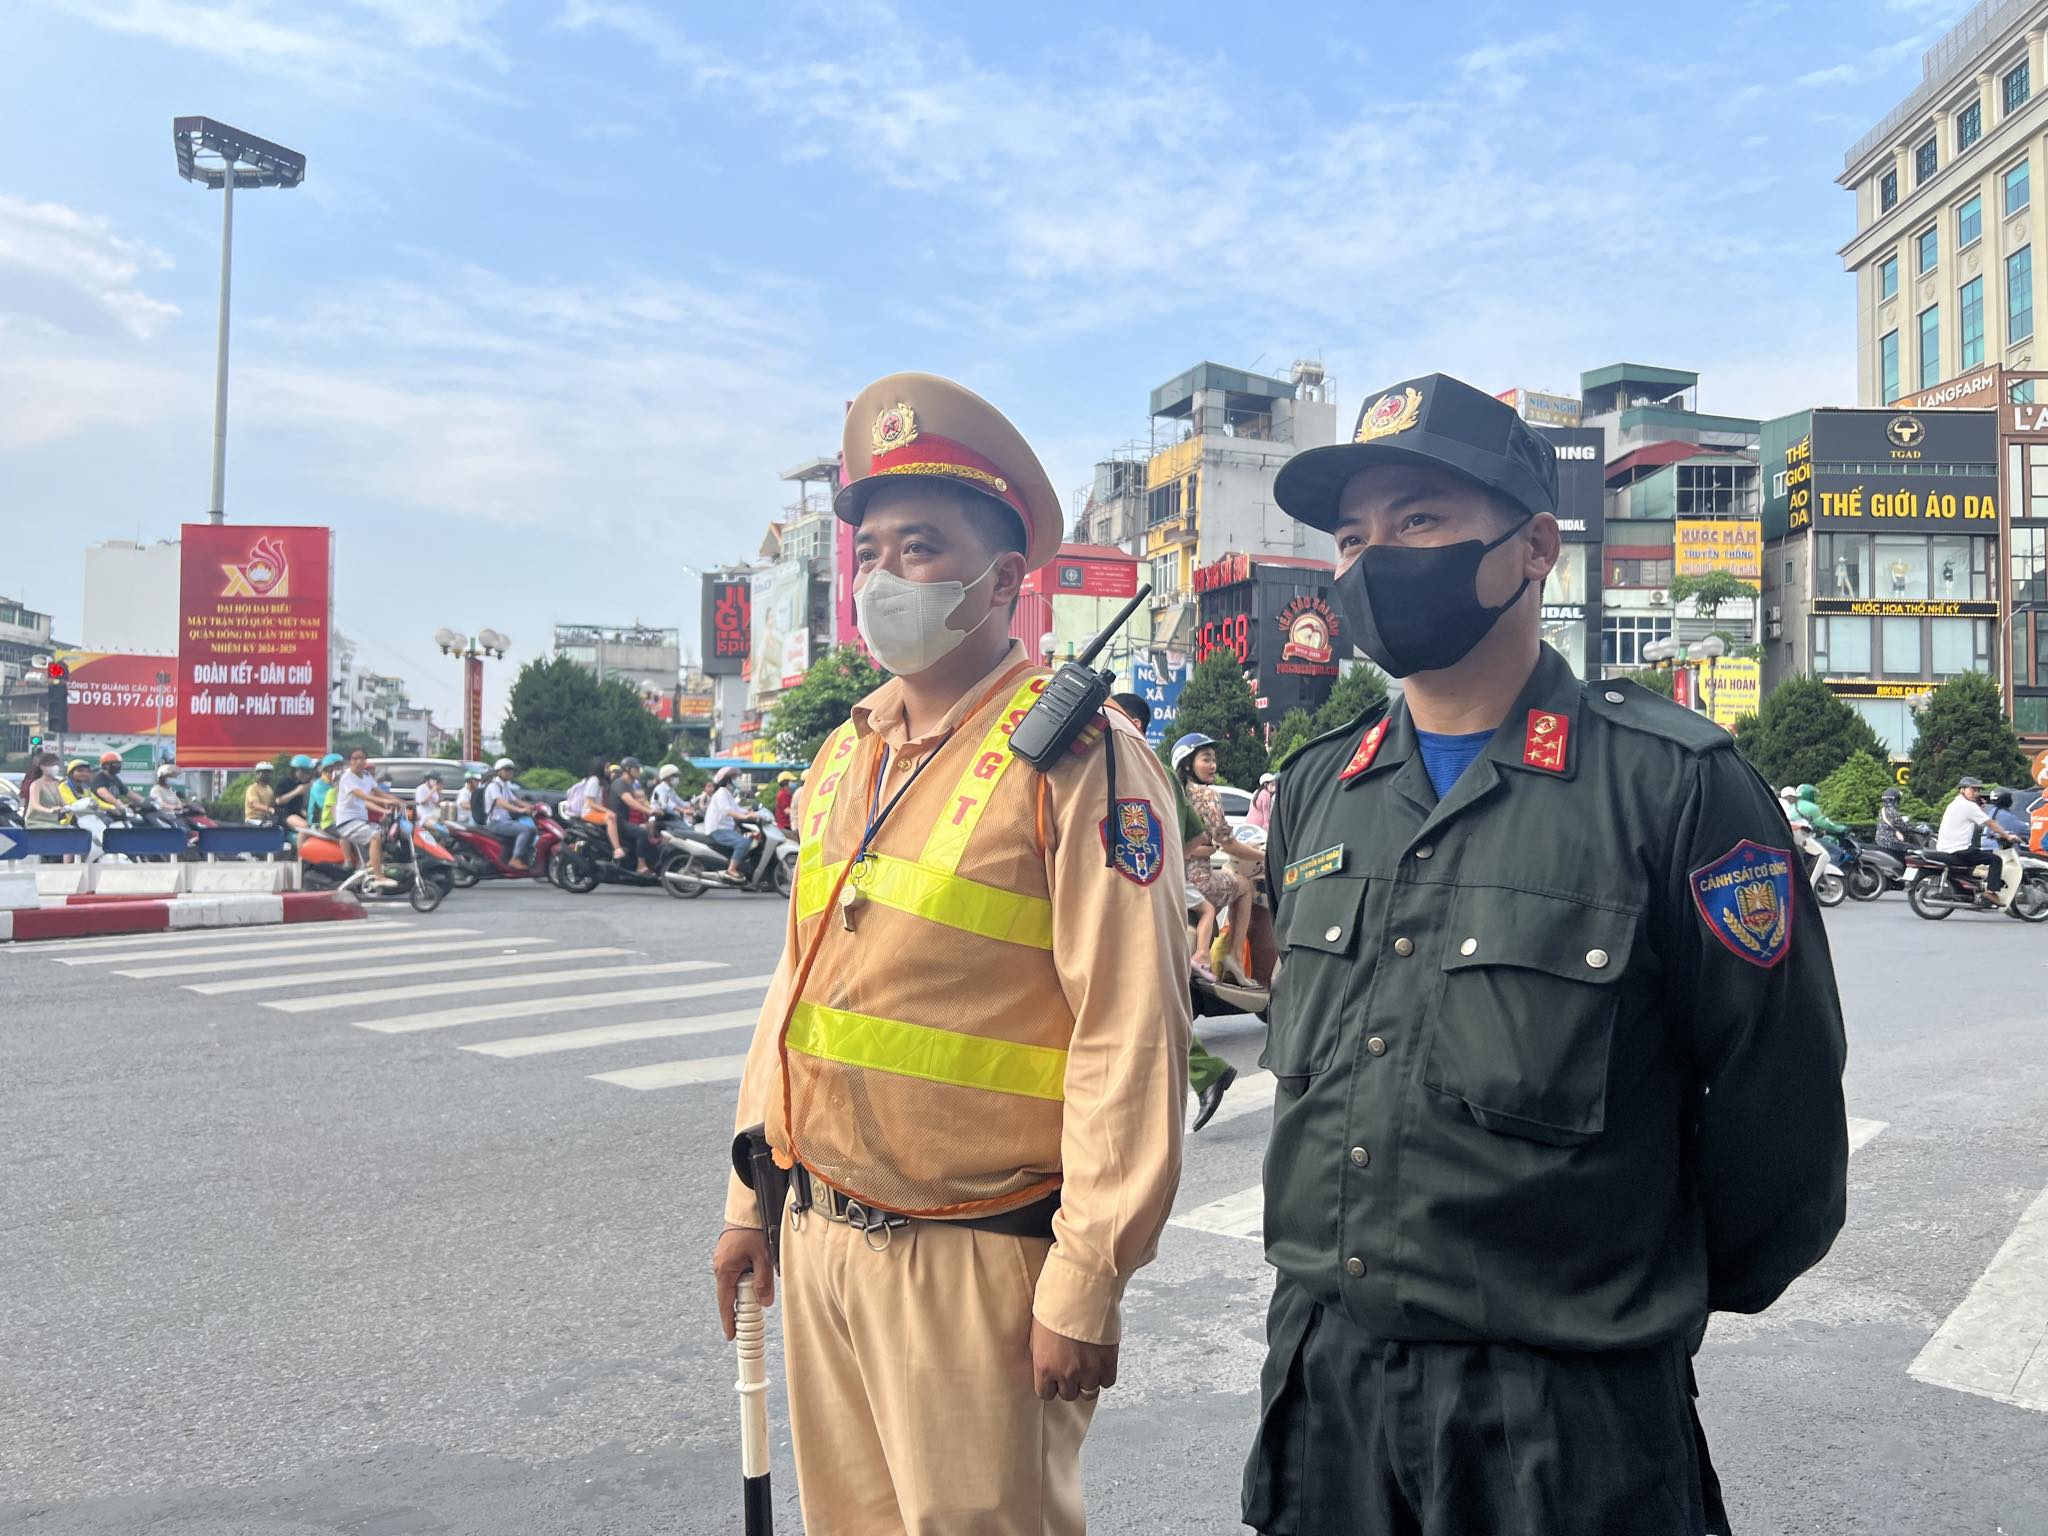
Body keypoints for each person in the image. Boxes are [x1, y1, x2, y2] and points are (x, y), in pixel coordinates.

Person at [1244, 371, 1848, 1535]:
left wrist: (1626, 1300)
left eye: (1418, 522)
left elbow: (1775, 1112)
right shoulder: (1322, 790)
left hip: (1564, 1411)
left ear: (1531, 549)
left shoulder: (1671, 785)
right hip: (1326, 1387)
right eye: (1353, 536)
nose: (1375, 563)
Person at [711, 371, 1191, 1536]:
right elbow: (799, 987)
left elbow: (1130, 1028)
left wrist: (1087, 1276)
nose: (883, 575)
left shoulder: (1081, 759)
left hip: (976, 1262)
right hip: (819, 1230)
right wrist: (747, 1196)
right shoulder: (844, 751)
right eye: (871, 547)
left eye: (919, 548)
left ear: (1003, 582)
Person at [1174, 734, 1262, 985]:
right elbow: (1228, 843)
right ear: (1189, 764)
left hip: (1174, 879)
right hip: (1199, 881)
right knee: (1243, 886)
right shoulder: (1207, 796)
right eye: (1206, 759)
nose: (1213, 765)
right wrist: (1264, 856)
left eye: (1213, 760)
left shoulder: (1175, 794)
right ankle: (1233, 957)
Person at [1935, 775, 2018, 901]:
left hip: (1945, 847)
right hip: (1959, 849)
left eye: (1977, 790)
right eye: (1972, 789)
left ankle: (1969, 892)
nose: (1976, 793)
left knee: (1976, 858)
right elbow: (1990, 823)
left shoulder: (1954, 804)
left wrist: (1979, 809)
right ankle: (1991, 892)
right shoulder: (1968, 805)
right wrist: (2007, 836)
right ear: (1962, 790)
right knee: (1995, 860)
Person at [335, 747, 406, 887]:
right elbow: (362, 795)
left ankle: (369, 868)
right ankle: (379, 877)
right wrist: (386, 802)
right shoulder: (347, 777)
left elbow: (379, 792)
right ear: (350, 762)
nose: (359, 761)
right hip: (347, 821)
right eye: (355, 758)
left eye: (362, 758)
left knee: (385, 837)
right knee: (375, 836)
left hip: (361, 821)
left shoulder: (367, 777)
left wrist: (398, 801)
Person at [699, 765, 758, 883]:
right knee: (743, 842)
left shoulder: (727, 793)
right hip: (718, 830)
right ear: (727, 780)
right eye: (734, 777)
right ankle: (731, 869)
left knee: (750, 840)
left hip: (725, 829)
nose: (736, 780)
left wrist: (751, 812)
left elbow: (737, 808)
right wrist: (745, 816)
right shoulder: (721, 793)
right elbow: (728, 810)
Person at [565, 759, 630, 864]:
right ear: (600, 768)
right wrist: (607, 811)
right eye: (606, 767)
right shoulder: (594, 781)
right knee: (610, 817)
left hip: (596, 812)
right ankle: (617, 849)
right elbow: (590, 803)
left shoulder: (603, 782)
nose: (609, 770)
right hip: (589, 813)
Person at [483, 758, 540, 870]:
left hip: (504, 821)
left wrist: (532, 806)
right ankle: (515, 859)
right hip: (496, 823)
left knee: (533, 830)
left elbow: (515, 800)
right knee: (525, 830)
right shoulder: (493, 786)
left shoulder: (504, 785)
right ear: (498, 771)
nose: (510, 772)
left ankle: (525, 857)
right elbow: (501, 803)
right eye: (507, 769)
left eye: (511, 769)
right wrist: (520, 810)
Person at [607, 757, 656, 874]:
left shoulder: (629, 785)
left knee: (650, 828)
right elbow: (630, 801)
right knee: (642, 832)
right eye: (636, 769)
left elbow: (640, 800)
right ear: (628, 769)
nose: (639, 771)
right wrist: (649, 811)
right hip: (618, 822)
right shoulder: (620, 783)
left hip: (624, 820)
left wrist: (652, 809)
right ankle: (641, 865)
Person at [57, 759, 112, 860]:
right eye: (80, 770)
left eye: (87, 771)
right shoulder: (64, 786)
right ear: (71, 772)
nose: (84, 773)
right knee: (71, 840)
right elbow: (71, 803)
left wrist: (113, 807)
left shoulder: (85, 787)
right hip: (69, 820)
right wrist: (86, 805)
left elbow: (96, 801)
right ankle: (67, 868)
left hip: (85, 819)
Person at [22, 752, 68, 829]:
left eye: (56, 764)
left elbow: (63, 803)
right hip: (35, 823)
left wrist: (75, 807)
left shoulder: (56, 784)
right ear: (42, 767)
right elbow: (34, 805)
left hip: (54, 823)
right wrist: (50, 810)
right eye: (51, 764)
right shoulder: (36, 784)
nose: (54, 767)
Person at [91, 751, 141, 818]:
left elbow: (128, 793)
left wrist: (143, 801)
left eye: (119, 764)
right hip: (102, 812)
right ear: (106, 765)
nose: (118, 766)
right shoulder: (99, 777)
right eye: (115, 764)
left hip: (116, 811)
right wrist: (119, 804)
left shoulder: (115, 778)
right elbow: (104, 793)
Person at [275, 755, 317, 830]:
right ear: (295, 770)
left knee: (316, 825)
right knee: (308, 828)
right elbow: (278, 801)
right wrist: (296, 792)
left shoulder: (304, 784)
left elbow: (302, 805)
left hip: (298, 814)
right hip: (285, 815)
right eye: (304, 771)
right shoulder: (285, 782)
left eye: (308, 772)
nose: (306, 775)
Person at [307, 754, 344, 831]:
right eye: (336, 767)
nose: (339, 770)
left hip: (337, 821)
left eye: (340, 766)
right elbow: (327, 806)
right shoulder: (318, 786)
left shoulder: (340, 784)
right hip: (319, 823)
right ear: (327, 769)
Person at [1875, 784, 1911, 856]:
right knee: (1913, 848)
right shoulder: (1891, 811)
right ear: (1895, 800)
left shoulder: (1882, 809)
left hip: (1880, 842)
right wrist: (1920, 830)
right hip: (1890, 843)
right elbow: (1903, 827)